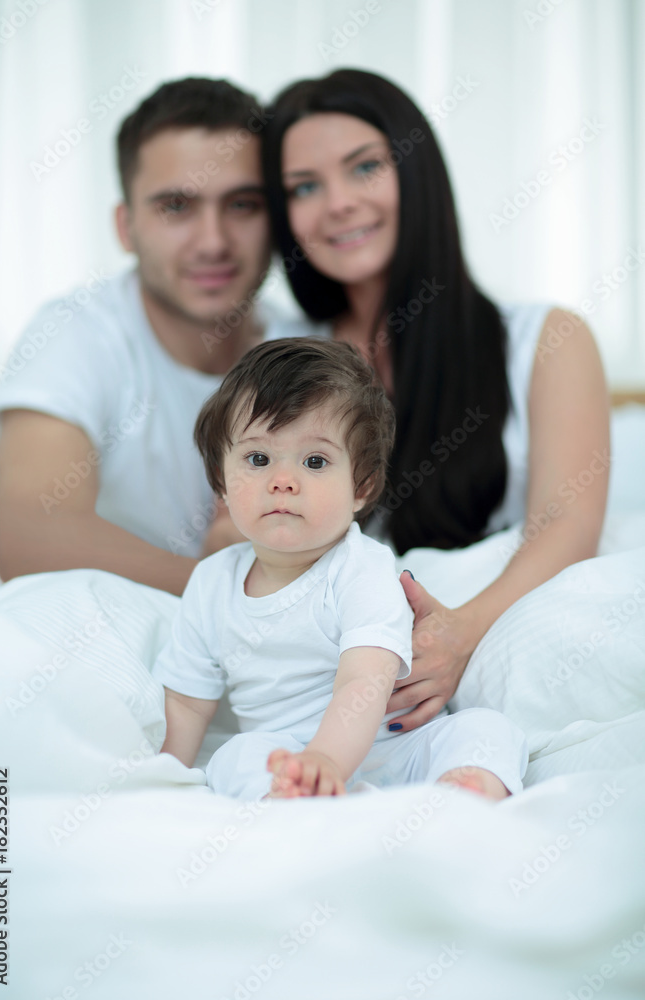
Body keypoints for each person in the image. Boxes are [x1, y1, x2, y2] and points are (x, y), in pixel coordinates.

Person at [261, 68, 611, 732]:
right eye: (304, 188)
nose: (336, 203)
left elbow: (566, 527)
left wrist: (460, 634)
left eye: (363, 168)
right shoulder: (280, 358)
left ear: (417, 175)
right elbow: (240, 524)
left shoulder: (545, 338)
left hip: (492, 623)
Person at [0, 77, 320, 597]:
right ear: (125, 226)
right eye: (176, 207)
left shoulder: (310, 353)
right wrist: (234, 594)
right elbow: (31, 538)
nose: (213, 242)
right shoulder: (78, 333)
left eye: (242, 205)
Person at [153, 338, 528, 801]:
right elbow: (189, 702)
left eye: (315, 461)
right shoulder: (211, 583)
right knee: (233, 757)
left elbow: (363, 680)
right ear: (221, 483)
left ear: (362, 487)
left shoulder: (361, 568)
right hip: (287, 754)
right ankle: (296, 799)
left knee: (487, 729)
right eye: (257, 458)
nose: (283, 480)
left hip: (397, 745)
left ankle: (461, 792)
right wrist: (165, 774)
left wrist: (328, 761)